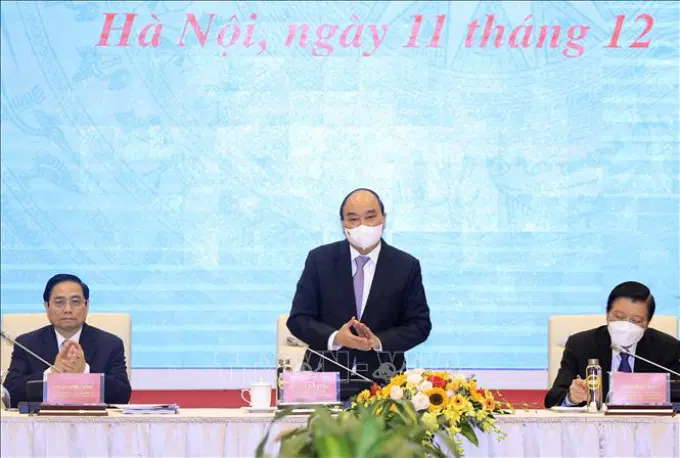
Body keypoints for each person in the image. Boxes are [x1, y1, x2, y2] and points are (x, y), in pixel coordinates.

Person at [287, 188, 432, 400]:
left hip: (385, 386)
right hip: (322, 383)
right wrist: (336, 338)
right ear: (343, 224)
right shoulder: (319, 259)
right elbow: (298, 319)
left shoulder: (406, 265)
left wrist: (378, 342)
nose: (363, 226)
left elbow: (419, 325)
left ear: (384, 219)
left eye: (370, 217)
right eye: (353, 219)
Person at [3, 274, 132, 407]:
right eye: (59, 302)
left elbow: (122, 395)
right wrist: (52, 374)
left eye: (75, 302)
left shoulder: (110, 344)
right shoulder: (26, 344)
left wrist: (84, 371)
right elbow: (10, 394)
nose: (68, 309)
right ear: (47, 306)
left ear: (87, 305)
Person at [545, 281, 680, 408]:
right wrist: (571, 397)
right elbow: (553, 398)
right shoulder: (580, 345)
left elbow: (676, 398)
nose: (625, 325)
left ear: (647, 323)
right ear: (607, 313)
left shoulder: (668, 348)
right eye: (619, 317)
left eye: (635, 320)